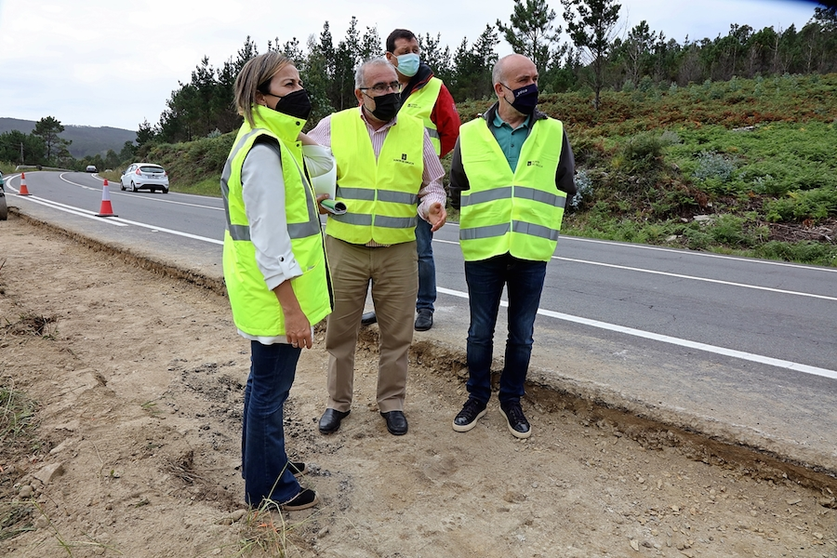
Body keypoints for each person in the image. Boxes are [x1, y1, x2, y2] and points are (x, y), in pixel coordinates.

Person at [309, 57, 447, 436]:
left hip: (398, 250)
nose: (390, 93)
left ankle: (392, 402)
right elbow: (307, 168)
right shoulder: (332, 127)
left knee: (397, 332)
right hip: (345, 246)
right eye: (381, 88)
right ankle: (337, 403)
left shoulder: (414, 130)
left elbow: (431, 185)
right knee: (340, 330)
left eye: (394, 86)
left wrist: (433, 204)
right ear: (361, 94)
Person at [221, 52, 333, 511]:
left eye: (299, 82)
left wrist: (300, 135)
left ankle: (265, 465)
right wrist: (292, 309)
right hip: (276, 296)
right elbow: (269, 241)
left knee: (262, 387)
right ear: (259, 95)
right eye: (288, 85)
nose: (300, 91)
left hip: (261, 291)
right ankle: (268, 490)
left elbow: (317, 170)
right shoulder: (265, 150)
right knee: (269, 391)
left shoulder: (267, 141)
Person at [448, 54, 576, 439]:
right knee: (479, 331)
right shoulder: (470, 133)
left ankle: (512, 400)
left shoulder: (554, 131)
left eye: (536, 78)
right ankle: (477, 397)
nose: (532, 86)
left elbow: (565, 184)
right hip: (483, 251)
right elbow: (457, 186)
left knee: (522, 333)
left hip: (530, 251)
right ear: (500, 88)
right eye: (523, 80)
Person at [360, 28, 461, 332]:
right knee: (380, 250)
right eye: (404, 51)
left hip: (419, 184)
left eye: (416, 49)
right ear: (389, 56)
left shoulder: (435, 88)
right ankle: (383, 307)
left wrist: (424, 161)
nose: (412, 55)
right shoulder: (381, 87)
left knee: (421, 249)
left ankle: (425, 307)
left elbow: (451, 132)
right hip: (385, 183)